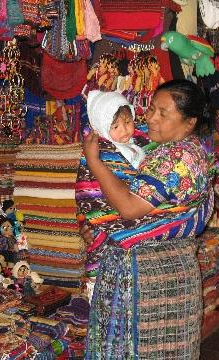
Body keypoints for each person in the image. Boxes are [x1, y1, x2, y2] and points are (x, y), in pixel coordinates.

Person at [82, 79, 216, 359]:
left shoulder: (176, 157)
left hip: (145, 278)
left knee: (133, 349)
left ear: (189, 122)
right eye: (151, 108)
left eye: (162, 113)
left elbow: (129, 208)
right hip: (173, 272)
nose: (150, 118)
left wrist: (93, 161)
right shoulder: (182, 148)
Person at [76, 90, 151, 276]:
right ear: (102, 127)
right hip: (110, 219)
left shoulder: (142, 144)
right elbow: (88, 190)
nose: (125, 130)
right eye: (115, 126)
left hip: (137, 213)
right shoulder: (100, 151)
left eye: (128, 122)